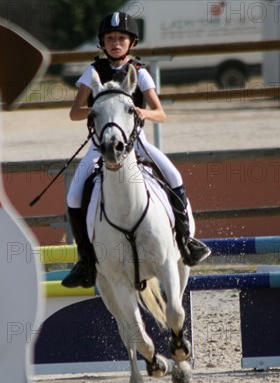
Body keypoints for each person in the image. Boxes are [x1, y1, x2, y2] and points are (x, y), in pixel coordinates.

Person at [62, 11, 210, 288]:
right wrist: (97, 108)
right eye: (110, 38)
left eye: (121, 38)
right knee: (74, 194)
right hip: (102, 145)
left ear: (131, 43)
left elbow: (161, 113)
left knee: (174, 177)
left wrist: (140, 111)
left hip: (136, 142)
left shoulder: (140, 73)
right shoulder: (92, 72)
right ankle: (85, 260)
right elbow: (74, 113)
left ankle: (185, 241)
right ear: (102, 43)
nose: (115, 43)